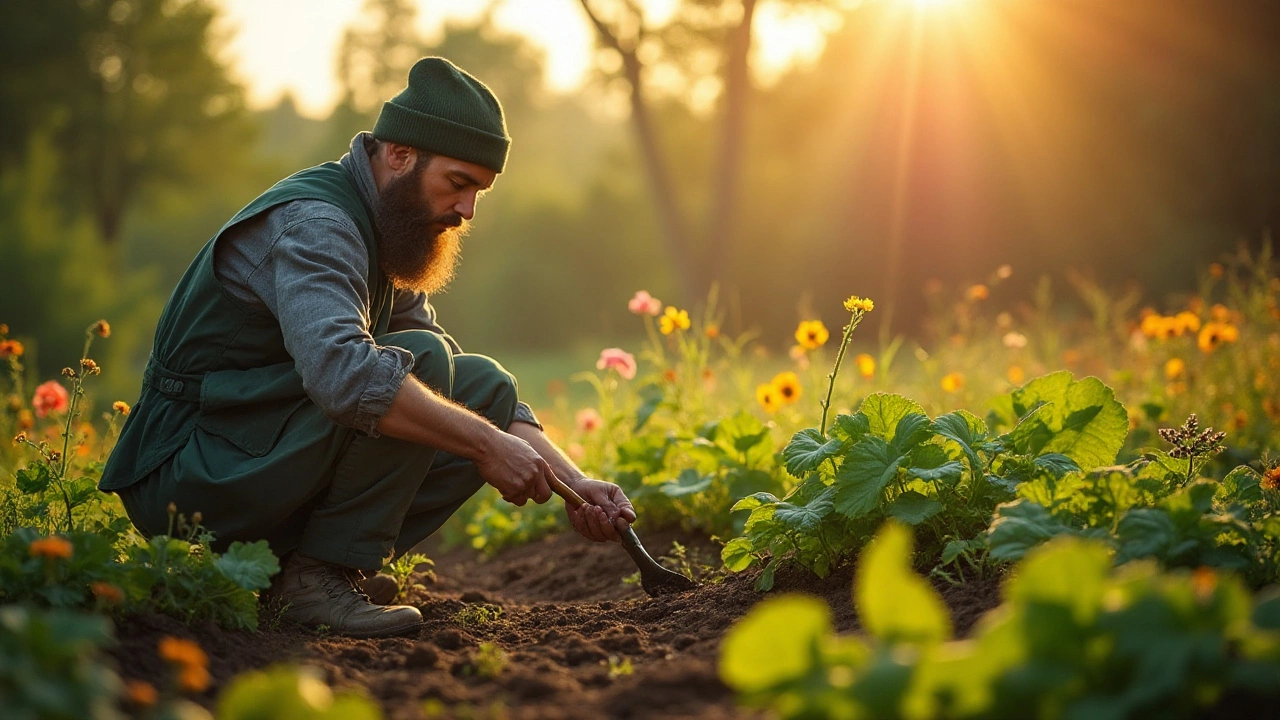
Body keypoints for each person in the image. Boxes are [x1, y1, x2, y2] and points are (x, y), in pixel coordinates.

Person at [99, 57, 637, 638]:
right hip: (188, 468)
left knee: (481, 383)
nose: (467, 211)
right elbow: (345, 377)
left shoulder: (385, 223)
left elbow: (450, 371)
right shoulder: (317, 223)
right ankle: (316, 581)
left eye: (478, 192)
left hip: (250, 445)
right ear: (400, 154)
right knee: (420, 371)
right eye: (458, 184)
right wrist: (486, 446)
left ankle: (305, 571)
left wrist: (573, 483)